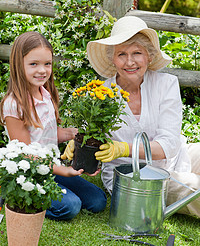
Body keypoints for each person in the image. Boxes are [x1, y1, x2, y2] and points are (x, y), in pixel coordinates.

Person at [64, 16, 200, 217]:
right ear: (113, 59)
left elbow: (170, 144)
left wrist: (124, 148)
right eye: (122, 54)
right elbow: (89, 137)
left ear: (150, 56)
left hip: (176, 155)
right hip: (133, 177)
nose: (130, 61)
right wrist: (79, 146)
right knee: (194, 187)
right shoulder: (101, 94)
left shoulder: (166, 84)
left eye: (137, 53)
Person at [0, 31, 107, 221]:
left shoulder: (45, 93)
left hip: (51, 168)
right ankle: (16, 199)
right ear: (18, 65)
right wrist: (63, 170)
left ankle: (58, 189)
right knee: (71, 206)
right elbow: (26, 154)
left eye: (47, 64)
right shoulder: (14, 104)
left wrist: (70, 134)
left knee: (98, 200)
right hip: (30, 174)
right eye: (34, 64)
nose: (42, 70)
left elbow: (45, 134)